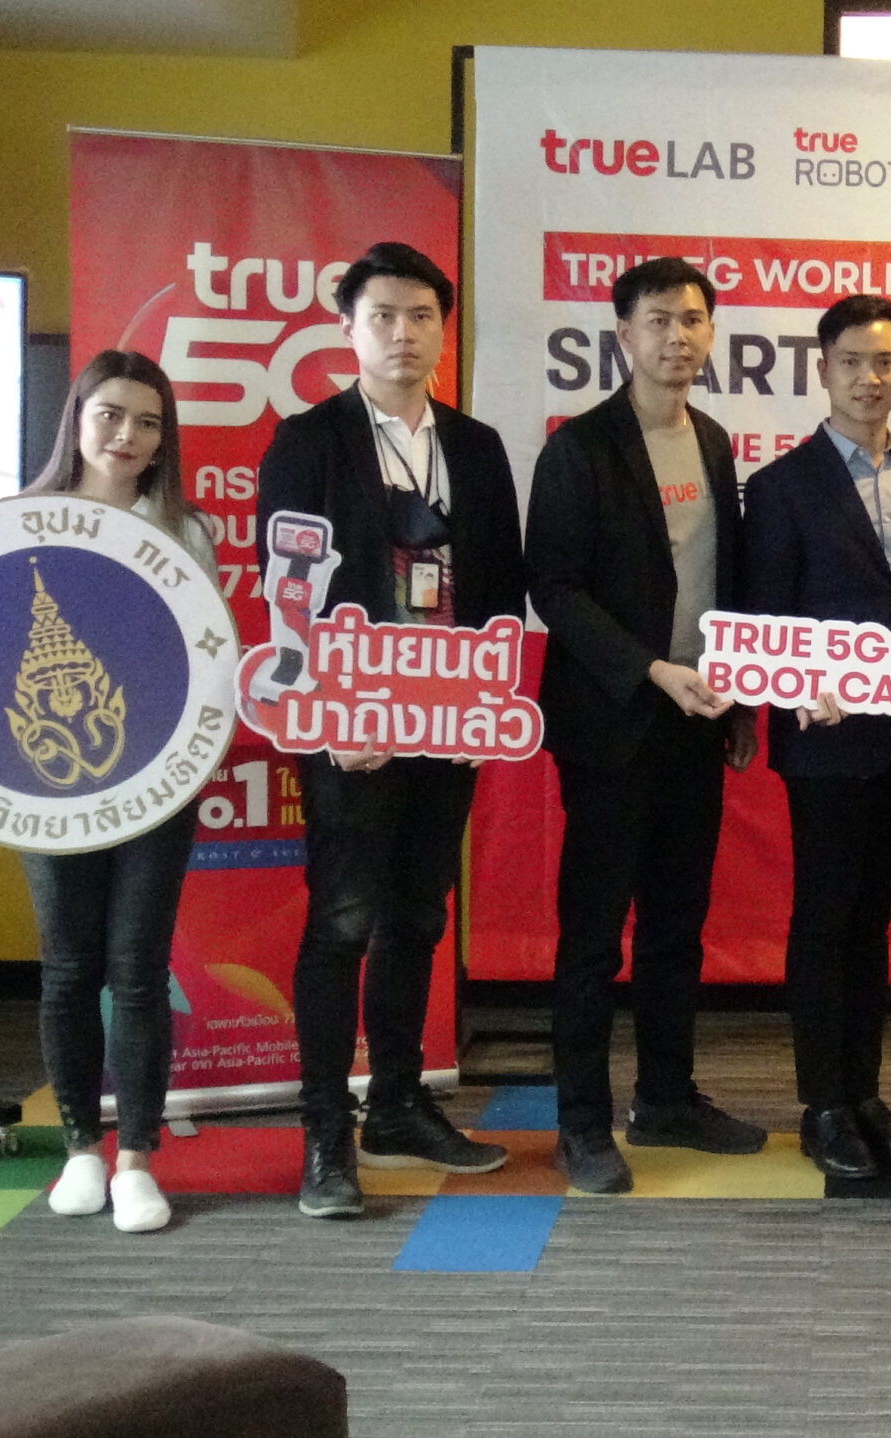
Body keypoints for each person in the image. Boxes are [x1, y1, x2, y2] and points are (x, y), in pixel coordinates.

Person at [0, 351, 210, 1232]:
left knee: (137, 971)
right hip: (44, 788)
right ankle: (79, 1150)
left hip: (155, 785)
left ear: (164, 439)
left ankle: (136, 1159)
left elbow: (199, 666)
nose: (128, 436)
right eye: (111, 415)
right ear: (77, 419)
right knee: (69, 972)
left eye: (148, 422)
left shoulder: (182, 533)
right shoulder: (13, 527)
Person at [257, 242, 527, 1219]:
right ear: (348, 327)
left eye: (421, 316)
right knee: (343, 921)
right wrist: (333, 710)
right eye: (383, 316)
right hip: (351, 725)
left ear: (442, 329)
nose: (403, 333)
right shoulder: (310, 439)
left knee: (419, 914)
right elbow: (287, 587)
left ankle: (400, 1105)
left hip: (448, 720)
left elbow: (502, 584)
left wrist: (482, 704)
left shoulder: (477, 446)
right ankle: (326, 1132)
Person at [528, 256, 765, 1197]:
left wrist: (740, 698)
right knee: (593, 936)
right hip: (612, 722)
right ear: (623, 334)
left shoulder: (713, 440)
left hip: (698, 723)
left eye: (693, 319)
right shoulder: (580, 448)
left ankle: (666, 1097)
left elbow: (722, 583)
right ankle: (581, 1124)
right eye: (659, 320)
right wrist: (650, 670)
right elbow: (555, 587)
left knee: (677, 925)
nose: (678, 336)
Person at [741, 295, 891, 1179]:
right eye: (852, 363)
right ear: (822, 370)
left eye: (886, 362)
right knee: (826, 918)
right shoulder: (781, 485)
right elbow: (763, 615)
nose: (871, 379)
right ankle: (823, 1104)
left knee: (874, 919)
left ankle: (864, 1093)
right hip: (825, 741)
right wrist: (796, 682)